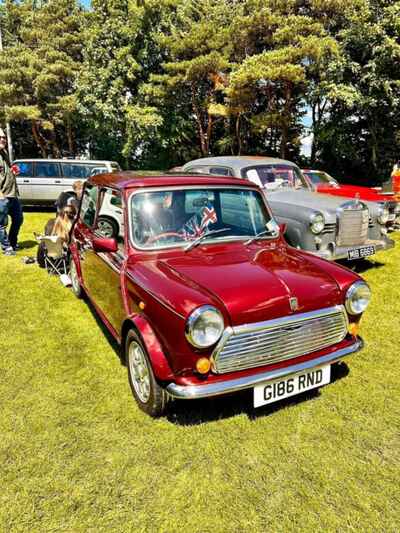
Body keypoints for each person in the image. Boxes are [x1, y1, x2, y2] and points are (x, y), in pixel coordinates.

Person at [0, 128, 23, 256]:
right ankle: (6, 247)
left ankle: (12, 242)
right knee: (1, 224)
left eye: (4, 137)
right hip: (2, 196)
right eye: (0, 137)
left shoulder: (4, 153)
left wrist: (13, 170)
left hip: (12, 194)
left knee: (18, 219)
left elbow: (6, 170)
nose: (3, 139)